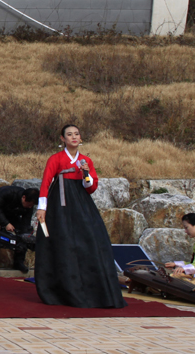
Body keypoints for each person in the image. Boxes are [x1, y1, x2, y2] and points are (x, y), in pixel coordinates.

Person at [34, 124, 127, 308]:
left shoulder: (86, 161)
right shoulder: (56, 159)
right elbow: (46, 183)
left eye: (76, 134)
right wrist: (42, 208)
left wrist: (86, 173)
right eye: (69, 134)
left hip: (82, 203)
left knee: (91, 239)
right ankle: (63, 289)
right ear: (62, 139)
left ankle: (93, 288)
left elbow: (91, 188)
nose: (74, 137)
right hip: (60, 203)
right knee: (63, 241)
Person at [0, 185, 39, 273]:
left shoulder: (29, 206)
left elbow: (25, 223)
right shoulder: (8, 193)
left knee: (24, 234)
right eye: (29, 204)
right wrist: (6, 223)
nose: (30, 207)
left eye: (32, 205)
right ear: (24, 198)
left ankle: (19, 262)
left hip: (11, 211)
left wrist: (25, 234)